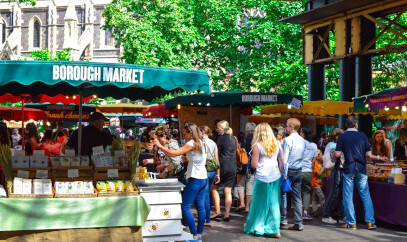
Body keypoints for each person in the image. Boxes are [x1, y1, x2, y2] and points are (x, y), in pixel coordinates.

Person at [154, 123, 207, 241]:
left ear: (190, 133)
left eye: (185, 134)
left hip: (195, 178)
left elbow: (174, 153)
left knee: (185, 207)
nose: (184, 136)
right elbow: (195, 157)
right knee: (200, 208)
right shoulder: (202, 142)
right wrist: (185, 158)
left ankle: (193, 235)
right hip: (203, 178)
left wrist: (160, 146)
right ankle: (199, 235)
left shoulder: (191, 143)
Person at [335, 115, 383, 230]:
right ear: (356, 125)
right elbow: (368, 155)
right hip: (361, 168)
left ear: (346, 125)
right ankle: (370, 222)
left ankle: (351, 223)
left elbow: (337, 154)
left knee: (347, 196)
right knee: (365, 195)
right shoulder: (363, 136)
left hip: (349, 168)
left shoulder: (342, 137)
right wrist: (379, 157)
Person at [244, 123, 284, 238]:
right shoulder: (277, 143)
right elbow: (282, 162)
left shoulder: (257, 145)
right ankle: (274, 229)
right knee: (274, 203)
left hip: (261, 177)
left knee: (259, 203)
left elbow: (254, 164)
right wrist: (280, 172)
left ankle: (258, 227)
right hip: (275, 176)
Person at [211, 120, 237, 222]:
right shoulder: (233, 138)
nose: (216, 129)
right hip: (232, 166)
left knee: (214, 188)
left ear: (223, 128)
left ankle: (217, 211)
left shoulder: (220, 139)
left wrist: (217, 171)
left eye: (217, 127)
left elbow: (216, 154)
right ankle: (227, 214)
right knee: (228, 191)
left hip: (222, 166)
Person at [282, 118, 305, 231]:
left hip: (289, 170)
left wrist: (283, 174)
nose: (285, 127)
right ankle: (298, 223)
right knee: (297, 197)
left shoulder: (287, 140)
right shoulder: (302, 140)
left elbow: (285, 159)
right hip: (298, 170)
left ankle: (282, 219)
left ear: (291, 126)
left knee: (283, 195)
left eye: (286, 125)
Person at [322, 128, 346, 224]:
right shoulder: (333, 145)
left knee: (340, 194)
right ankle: (326, 215)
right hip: (336, 170)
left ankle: (341, 215)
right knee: (334, 194)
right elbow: (335, 157)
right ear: (336, 136)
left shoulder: (333, 144)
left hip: (339, 170)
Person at [199, 125, 220, 227]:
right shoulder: (213, 143)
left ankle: (207, 219)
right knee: (207, 194)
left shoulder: (201, 143)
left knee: (205, 195)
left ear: (202, 132)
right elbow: (217, 160)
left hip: (204, 170)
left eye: (199, 131)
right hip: (212, 171)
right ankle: (206, 217)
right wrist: (218, 174)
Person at [299, 126, 318, 221]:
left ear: (303, 133)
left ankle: (297, 212)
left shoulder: (298, 143)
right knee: (306, 192)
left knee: (297, 191)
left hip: (297, 170)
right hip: (308, 171)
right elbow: (313, 161)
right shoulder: (314, 145)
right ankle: (305, 212)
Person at [244, 122, 256, 213]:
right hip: (257, 165)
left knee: (249, 185)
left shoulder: (245, 139)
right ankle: (254, 206)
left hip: (248, 165)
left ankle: (247, 206)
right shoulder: (257, 140)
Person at [234, 131, 247, 212]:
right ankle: (248, 205)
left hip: (242, 164)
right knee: (250, 186)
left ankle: (241, 202)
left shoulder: (240, 142)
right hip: (251, 166)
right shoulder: (255, 141)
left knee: (240, 184)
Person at [310, 149, 325, 216]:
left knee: (315, 197)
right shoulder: (316, 164)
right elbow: (318, 173)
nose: (323, 157)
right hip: (316, 184)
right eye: (321, 155)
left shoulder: (319, 164)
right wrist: (324, 167)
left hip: (317, 183)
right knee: (322, 197)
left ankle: (314, 211)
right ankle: (325, 210)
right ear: (317, 157)